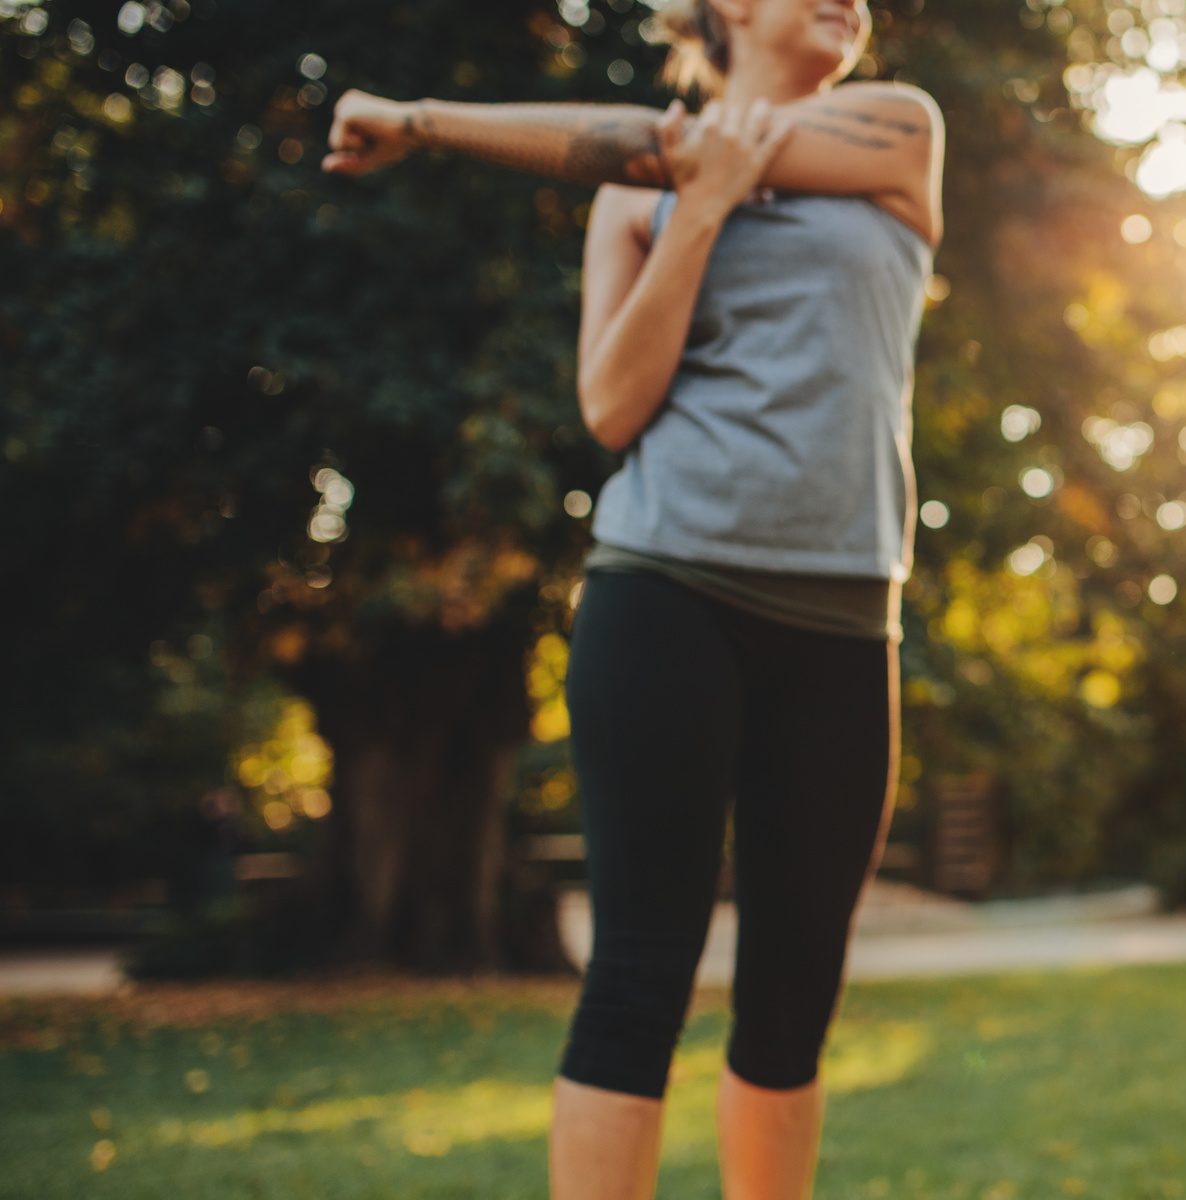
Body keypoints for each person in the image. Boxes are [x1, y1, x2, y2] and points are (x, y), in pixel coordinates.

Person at [322, 2, 942, 1196]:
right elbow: (611, 408)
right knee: (639, 971)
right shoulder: (634, 196)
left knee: (794, 987)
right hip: (666, 589)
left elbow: (654, 139)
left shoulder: (895, 130)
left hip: (844, 617)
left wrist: (423, 123)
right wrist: (700, 212)